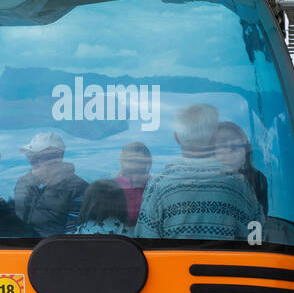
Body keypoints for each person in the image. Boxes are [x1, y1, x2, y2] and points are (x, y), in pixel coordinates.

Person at [135, 103, 265, 241]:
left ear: (176, 138)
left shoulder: (158, 184)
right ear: (214, 137)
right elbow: (256, 236)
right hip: (226, 263)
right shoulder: (238, 183)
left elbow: (145, 238)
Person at [11, 131, 88, 236]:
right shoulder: (24, 183)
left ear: (57, 157)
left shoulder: (79, 189)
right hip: (15, 246)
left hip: (53, 248)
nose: (32, 161)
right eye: (30, 157)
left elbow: (73, 234)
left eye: (37, 157)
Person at [213, 120, 269, 215]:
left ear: (245, 151)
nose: (230, 148)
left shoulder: (258, 179)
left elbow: (260, 221)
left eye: (236, 145)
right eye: (223, 143)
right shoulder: (200, 180)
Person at [112, 142, 152, 225]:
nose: (134, 163)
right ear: (122, 161)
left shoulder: (155, 185)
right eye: (130, 160)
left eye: (138, 160)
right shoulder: (112, 187)